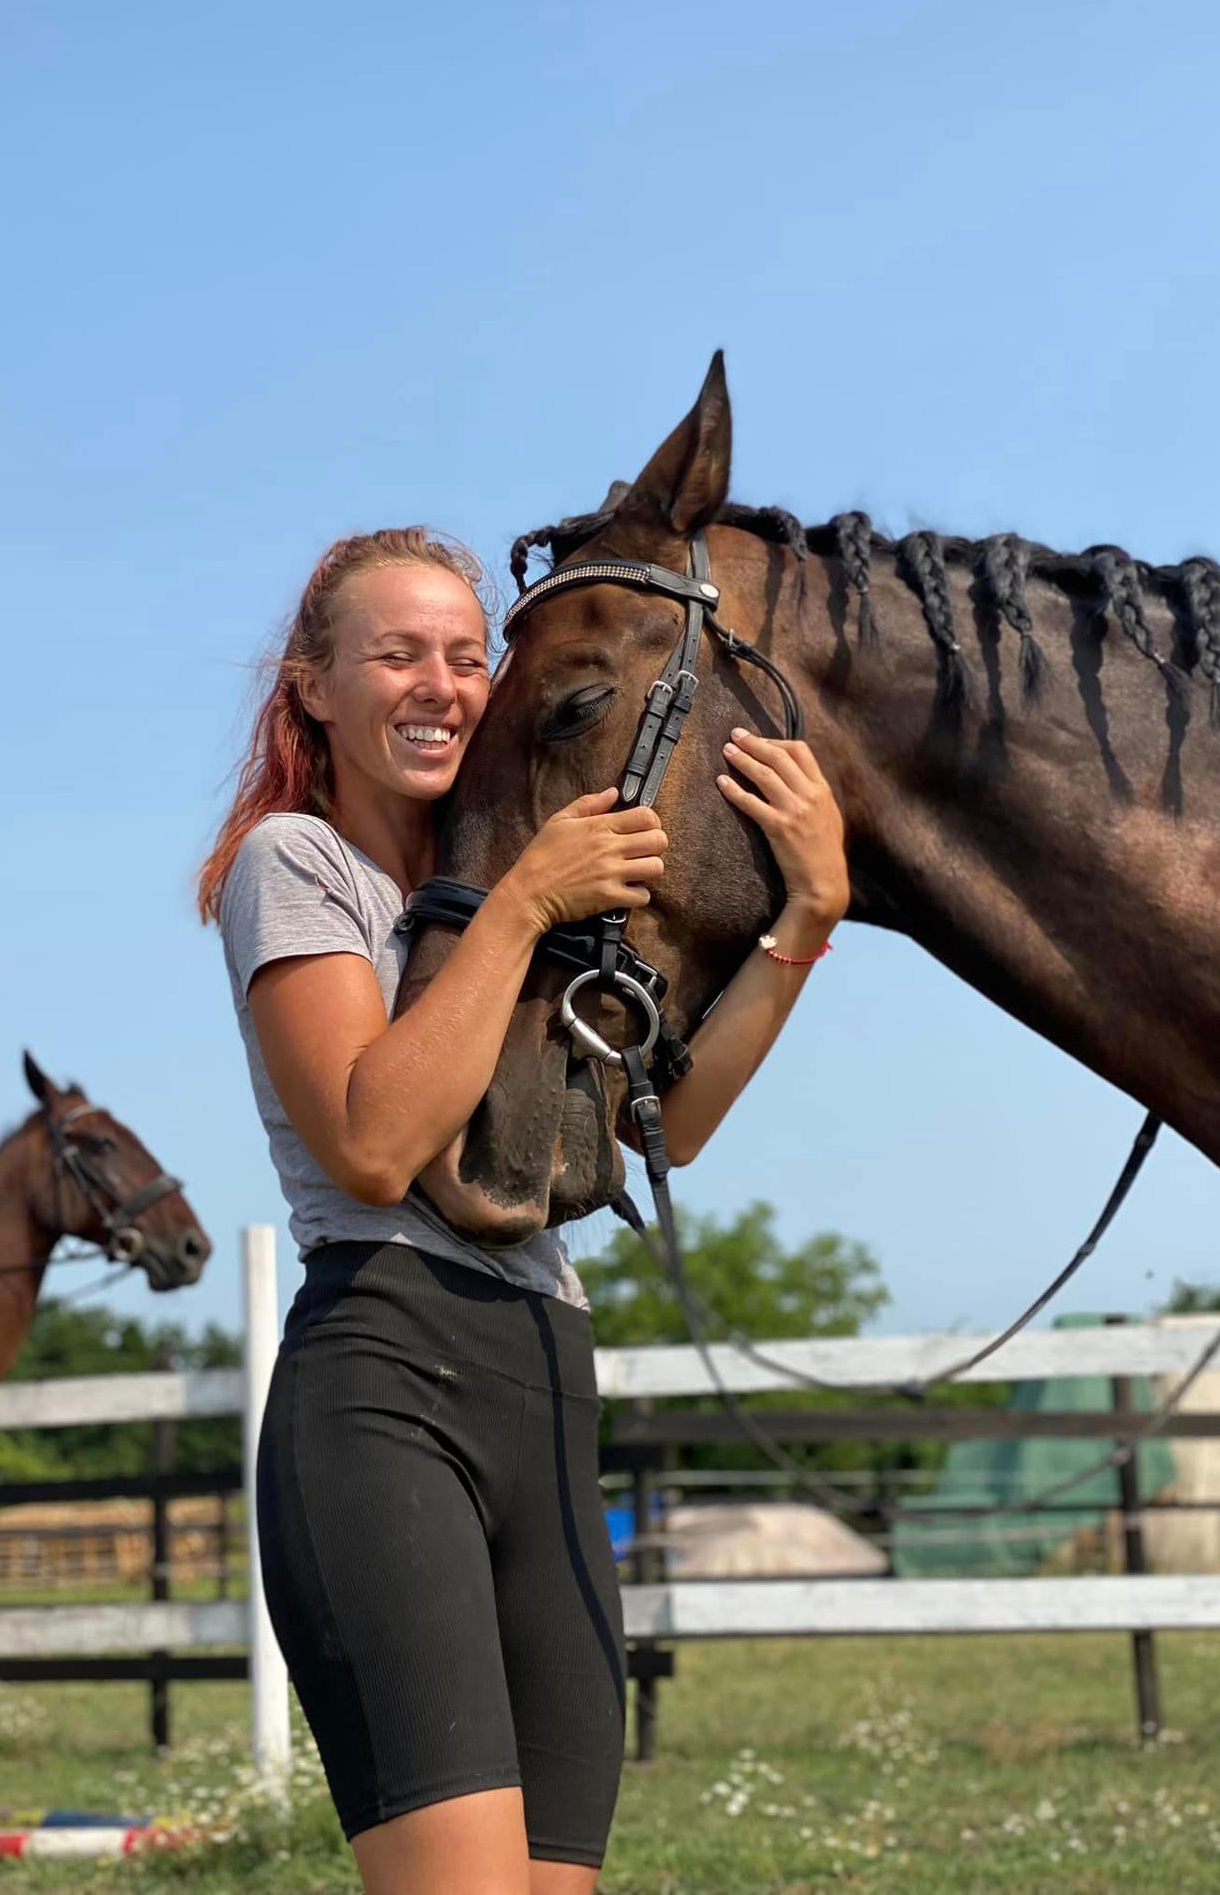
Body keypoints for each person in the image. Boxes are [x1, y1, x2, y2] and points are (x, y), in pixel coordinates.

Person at [196, 526, 849, 1895]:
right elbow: (376, 1143)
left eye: (465, 656)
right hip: (384, 1387)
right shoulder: (298, 867)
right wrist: (521, 906)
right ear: (313, 686)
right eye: (396, 655)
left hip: (547, 1390)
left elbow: (659, 1129)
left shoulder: (510, 865)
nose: (440, 684)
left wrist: (808, 923)